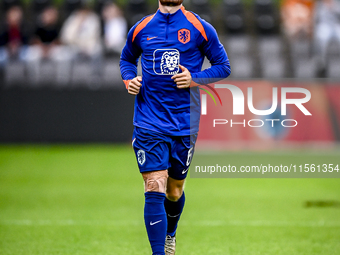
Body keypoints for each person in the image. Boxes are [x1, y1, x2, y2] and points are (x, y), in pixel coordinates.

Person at [120, 1, 231, 254]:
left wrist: (194, 78)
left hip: (184, 123)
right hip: (149, 120)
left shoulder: (200, 28)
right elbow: (127, 59)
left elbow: (223, 66)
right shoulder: (141, 28)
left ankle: (171, 233)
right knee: (154, 186)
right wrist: (129, 80)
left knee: (174, 190)